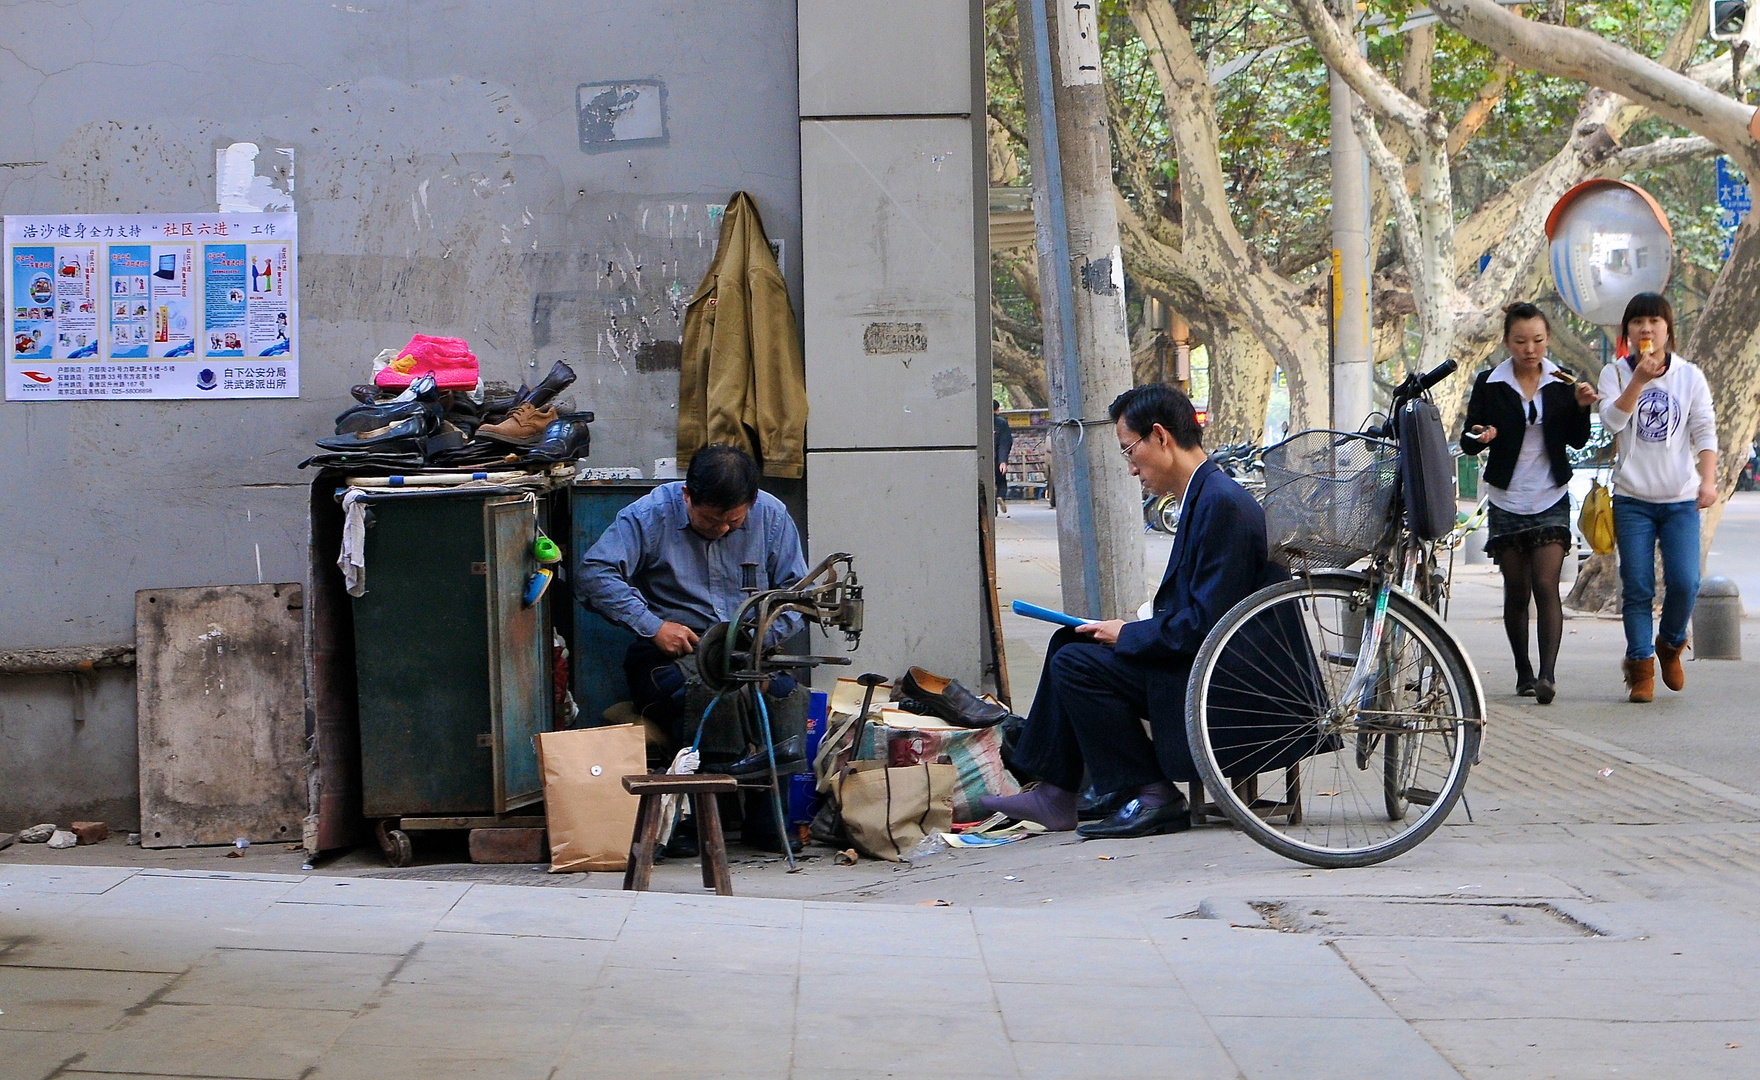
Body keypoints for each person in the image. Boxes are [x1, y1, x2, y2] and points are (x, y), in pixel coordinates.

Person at [979, 384, 1284, 839]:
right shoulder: (1204, 496)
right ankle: (1056, 790)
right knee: (1071, 639)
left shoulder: (1222, 504)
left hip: (1224, 678)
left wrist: (1131, 635)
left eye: (1130, 451)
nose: (1130, 468)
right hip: (1204, 657)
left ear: (1160, 437)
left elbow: (1207, 626)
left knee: (1076, 664)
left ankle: (1151, 791)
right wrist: (1133, 628)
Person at [576, 443, 808, 746]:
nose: (723, 529)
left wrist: (759, 638)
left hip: (747, 654)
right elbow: (593, 574)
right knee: (715, 697)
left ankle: (773, 793)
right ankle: (717, 787)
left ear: (752, 501)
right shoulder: (651, 514)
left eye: (735, 522)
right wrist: (653, 626)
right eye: (711, 521)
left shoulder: (771, 515)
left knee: (787, 698)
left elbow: (799, 594)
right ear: (687, 495)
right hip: (670, 657)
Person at [1459, 302, 1595, 704]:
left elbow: (1577, 439)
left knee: (1545, 583)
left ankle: (1547, 676)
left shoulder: (1562, 381)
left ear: (1547, 339)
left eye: (1537, 340)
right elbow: (1468, 438)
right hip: (1506, 497)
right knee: (1517, 590)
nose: (1529, 348)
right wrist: (1480, 437)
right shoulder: (1490, 383)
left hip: (1550, 494)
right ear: (1507, 342)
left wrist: (1583, 408)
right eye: (1520, 341)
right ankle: (1523, 671)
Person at [1596, 292, 1718, 704]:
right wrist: (1639, 380)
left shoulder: (1690, 376)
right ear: (1627, 330)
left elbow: (1704, 431)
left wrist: (1708, 481)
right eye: (1637, 322)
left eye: (1654, 321)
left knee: (1686, 581)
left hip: (1680, 498)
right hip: (1632, 498)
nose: (1646, 329)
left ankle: (1670, 644)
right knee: (1638, 586)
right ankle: (1640, 666)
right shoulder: (1614, 373)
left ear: (1668, 329)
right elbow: (1612, 420)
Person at [994, 399, 1015, 515]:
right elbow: (1005, 443)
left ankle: (993, 511)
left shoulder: (980, 421)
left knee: (986, 487)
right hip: (997, 459)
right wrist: (1003, 461)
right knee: (1001, 482)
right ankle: (1001, 496)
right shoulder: (1002, 423)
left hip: (982, 459)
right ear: (997, 409)